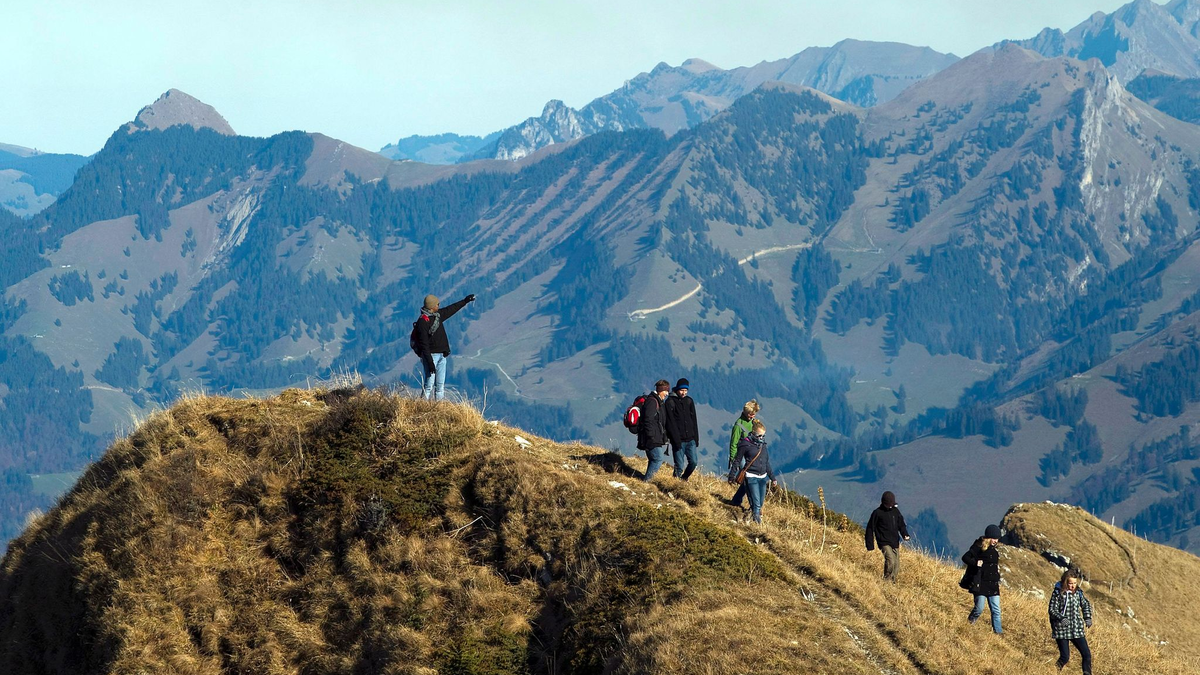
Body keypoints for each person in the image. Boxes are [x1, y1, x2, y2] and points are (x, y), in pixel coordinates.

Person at [413, 293, 475, 400]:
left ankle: (439, 410)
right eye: (437, 304)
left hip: (442, 355)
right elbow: (424, 345)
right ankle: (420, 407)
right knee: (429, 385)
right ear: (432, 306)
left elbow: (451, 309)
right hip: (431, 356)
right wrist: (430, 363)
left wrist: (465, 301)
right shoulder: (422, 322)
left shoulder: (437, 316)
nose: (439, 305)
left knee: (440, 386)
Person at [727, 419, 776, 524]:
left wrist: (773, 478)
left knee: (760, 502)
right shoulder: (745, 444)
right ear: (753, 433)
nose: (761, 438)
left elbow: (766, 462)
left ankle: (743, 508)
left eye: (763, 436)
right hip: (750, 477)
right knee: (756, 503)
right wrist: (732, 475)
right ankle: (757, 523)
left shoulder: (763, 445)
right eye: (759, 436)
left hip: (762, 477)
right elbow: (737, 460)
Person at [1049, 569, 1093, 674]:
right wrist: (1061, 618)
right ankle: (1052, 671)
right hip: (1061, 630)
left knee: (1086, 655)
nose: (1072, 586)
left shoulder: (1079, 593)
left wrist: (1087, 617)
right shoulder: (1057, 592)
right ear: (1065, 582)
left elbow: (1085, 604)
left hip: (1076, 629)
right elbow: (1051, 610)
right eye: (1070, 583)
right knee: (1065, 657)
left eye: (1074, 583)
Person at [962, 524, 1004, 634]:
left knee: (996, 610)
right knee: (979, 609)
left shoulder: (994, 549)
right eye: (994, 538)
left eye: (997, 539)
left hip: (993, 584)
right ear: (988, 537)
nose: (996, 541)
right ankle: (968, 625)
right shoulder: (978, 546)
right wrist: (975, 563)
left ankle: (998, 633)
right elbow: (965, 557)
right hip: (980, 583)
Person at [864, 491, 911, 582]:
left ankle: (892, 582)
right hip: (883, 542)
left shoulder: (895, 511)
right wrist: (870, 545)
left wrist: (905, 534)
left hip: (894, 541)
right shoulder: (877, 513)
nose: (890, 506)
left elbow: (901, 524)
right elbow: (870, 528)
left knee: (896, 565)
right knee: (890, 561)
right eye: (888, 505)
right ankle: (886, 580)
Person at [664, 378, 699, 480]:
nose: (684, 393)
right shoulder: (670, 402)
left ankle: (683, 479)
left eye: (686, 391)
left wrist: (696, 438)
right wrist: (675, 440)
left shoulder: (689, 401)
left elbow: (694, 421)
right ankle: (675, 484)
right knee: (679, 466)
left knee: (693, 462)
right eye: (682, 390)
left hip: (690, 439)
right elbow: (670, 423)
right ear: (677, 389)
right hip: (678, 440)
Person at [727, 400, 760, 506]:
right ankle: (747, 502)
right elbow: (734, 443)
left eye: (753, 415)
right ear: (745, 412)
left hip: (751, 453)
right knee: (747, 477)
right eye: (750, 415)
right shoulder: (738, 425)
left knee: (747, 478)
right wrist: (733, 458)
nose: (751, 417)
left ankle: (738, 499)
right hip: (741, 455)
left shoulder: (754, 422)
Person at [637, 380, 671, 482]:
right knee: (657, 458)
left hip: (654, 437)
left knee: (654, 459)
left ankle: (647, 480)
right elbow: (648, 420)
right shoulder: (652, 402)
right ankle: (647, 482)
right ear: (660, 390)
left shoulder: (658, 402)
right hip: (651, 438)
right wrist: (651, 436)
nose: (667, 393)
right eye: (665, 391)